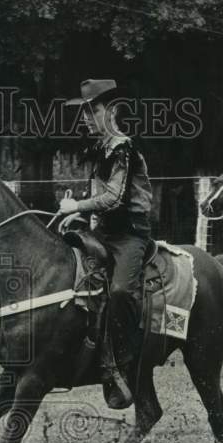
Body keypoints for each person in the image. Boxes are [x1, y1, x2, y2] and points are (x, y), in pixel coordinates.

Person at [59, 78, 153, 410]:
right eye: (83, 111)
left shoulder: (123, 147)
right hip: (106, 234)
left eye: (91, 110)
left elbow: (115, 197)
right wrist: (81, 218)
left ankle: (123, 363)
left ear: (110, 111)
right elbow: (99, 196)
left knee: (121, 292)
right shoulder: (100, 149)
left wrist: (77, 207)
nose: (85, 117)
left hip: (130, 235)